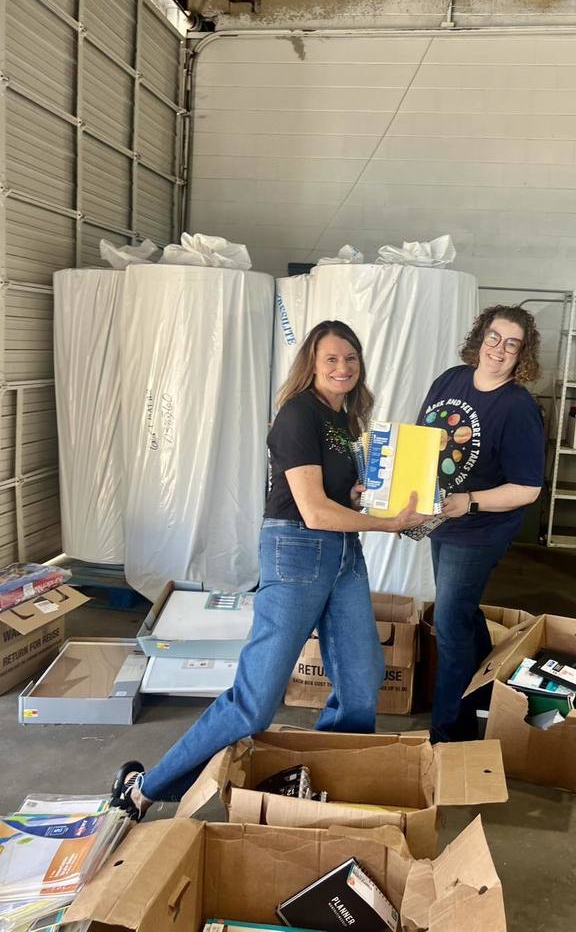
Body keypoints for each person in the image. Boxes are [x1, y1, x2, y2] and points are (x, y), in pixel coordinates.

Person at [111, 319, 427, 820]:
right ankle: (145, 788)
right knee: (255, 701)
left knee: (361, 682)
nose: (342, 367)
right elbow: (313, 512)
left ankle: (325, 788)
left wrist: (363, 497)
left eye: (350, 358)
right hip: (298, 550)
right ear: (311, 364)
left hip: (343, 554)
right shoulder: (298, 414)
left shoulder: (344, 418)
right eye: (331, 358)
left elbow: (332, 497)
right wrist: (390, 523)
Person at [417, 304, 545, 743]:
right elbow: (421, 443)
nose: (499, 349)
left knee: (451, 621)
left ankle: (450, 733)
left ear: (522, 354)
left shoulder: (517, 407)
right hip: (442, 519)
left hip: (479, 529)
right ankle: (485, 688)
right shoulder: (450, 380)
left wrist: (468, 502)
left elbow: (528, 488)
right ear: (480, 337)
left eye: (512, 344)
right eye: (494, 337)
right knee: (462, 612)